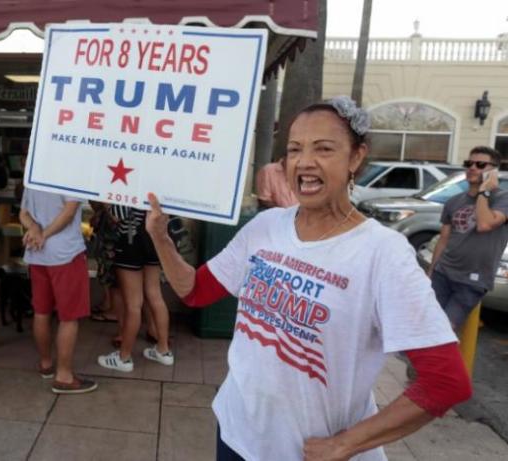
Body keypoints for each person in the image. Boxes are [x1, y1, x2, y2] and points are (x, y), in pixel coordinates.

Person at [143, 96, 472, 460]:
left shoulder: (383, 253)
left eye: (324, 149)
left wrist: (346, 443)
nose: (304, 162)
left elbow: (444, 382)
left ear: (356, 157)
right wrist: (160, 237)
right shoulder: (267, 226)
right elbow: (195, 291)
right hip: (236, 432)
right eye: (295, 149)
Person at [19, 189, 98, 394]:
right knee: (69, 316)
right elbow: (69, 212)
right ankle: (64, 375)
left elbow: (23, 213)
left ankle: (46, 363)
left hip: (37, 253)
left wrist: (35, 230)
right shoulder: (70, 169)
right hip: (66, 252)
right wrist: (42, 234)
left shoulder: (35, 171)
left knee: (41, 311)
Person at [427, 146, 508, 330]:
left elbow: (484, 224)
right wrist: (432, 271)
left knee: (443, 330)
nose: (472, 168)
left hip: (472, 280)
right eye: (468, 163)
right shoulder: (453, 201)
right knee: (426, 326)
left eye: (480, 164)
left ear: (493, 171)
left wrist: (484, 191)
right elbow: (444, 239)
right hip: (442, 273)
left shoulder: (504, 199)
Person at [97, 205, 174, 372]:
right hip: (154, 240)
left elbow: (118, 214)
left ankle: (124, 358)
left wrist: (106, 203)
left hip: (130, 242)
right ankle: (163, 350)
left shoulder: (132, 181)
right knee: (155, 295)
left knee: (133, 304)